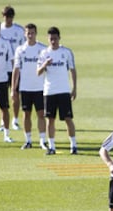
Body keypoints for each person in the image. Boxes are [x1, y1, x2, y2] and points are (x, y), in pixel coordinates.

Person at [37, 26, 78, 155]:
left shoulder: (66, 52)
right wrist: (45, 65)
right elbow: (38, 72)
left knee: (68, 118)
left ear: (59, 38)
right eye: (51, 39)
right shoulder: (44, 53)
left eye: (55, 39)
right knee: (50, 120)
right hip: (49, 91)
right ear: (48, 39)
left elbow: (72, 70)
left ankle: (73, 145)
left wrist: (74, 88)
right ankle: (52, 146)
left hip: (64, 90)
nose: (53, 41)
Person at [12, 23, 47, 150]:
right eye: (28, 33)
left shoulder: (43, 49)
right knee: (26, 114)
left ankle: (43, 141)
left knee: (41, 114)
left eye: (32, 33)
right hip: (25, 87)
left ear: (36, 33)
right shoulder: (20, 50)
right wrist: (13, 89)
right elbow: (16, 70)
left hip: (40, 87)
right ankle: (28, 141)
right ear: (25, 34)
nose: (30, 35)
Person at [1, 5, 26, 130]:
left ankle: (15, 120)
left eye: (10, 17)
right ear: (3, 16)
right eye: (6, 17)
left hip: (16, 68)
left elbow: (25, 47)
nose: (8, 19)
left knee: (15, 94)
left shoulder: (20, 30)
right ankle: (3, 122)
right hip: (1, 69)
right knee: (3, 97)